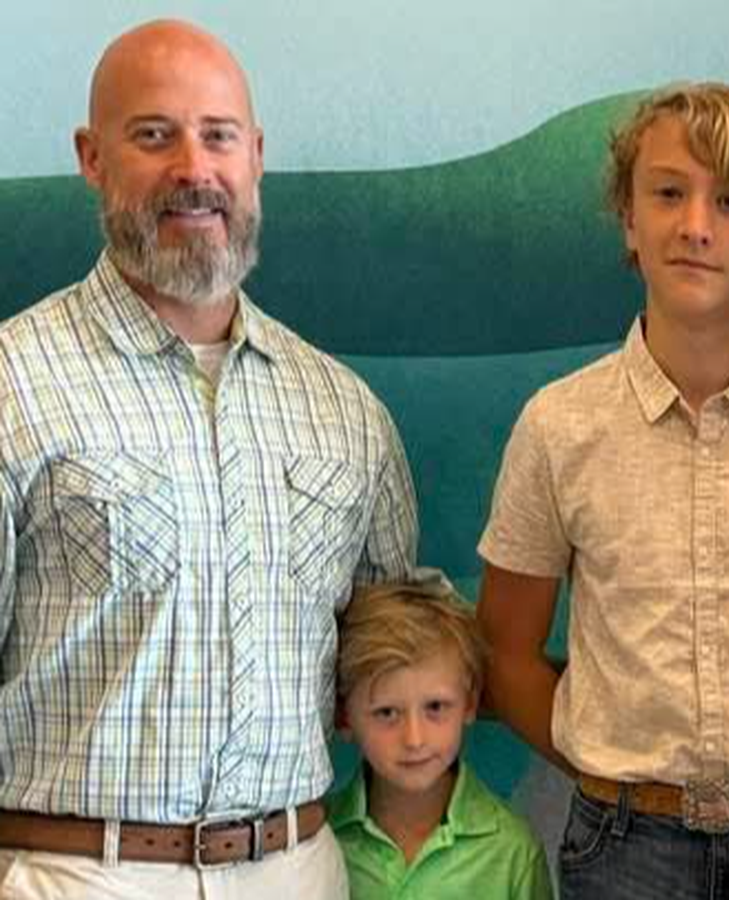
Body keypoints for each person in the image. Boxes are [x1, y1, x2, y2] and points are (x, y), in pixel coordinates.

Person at [0, 19, 438, 898]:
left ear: (257, 157)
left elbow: (398, 666)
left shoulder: (345, 412)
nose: (193, 168)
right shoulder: (15, 386)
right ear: (92, 158)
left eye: (219, 136)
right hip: (79, 873)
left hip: (297, 867)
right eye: (154, 135)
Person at [477, 82, 729, 900]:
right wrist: (614, 768)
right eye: (666, 193)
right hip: (625, 849)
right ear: (628, 217)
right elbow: (506, 652)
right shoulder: (558, 426)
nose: (695, 225)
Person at [327, 585, 553, 899]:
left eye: (435, 707)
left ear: (469, 703)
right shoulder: (321, 842)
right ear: (343, 717)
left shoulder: (514, 852)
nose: (414, 739)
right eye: (387, 712)